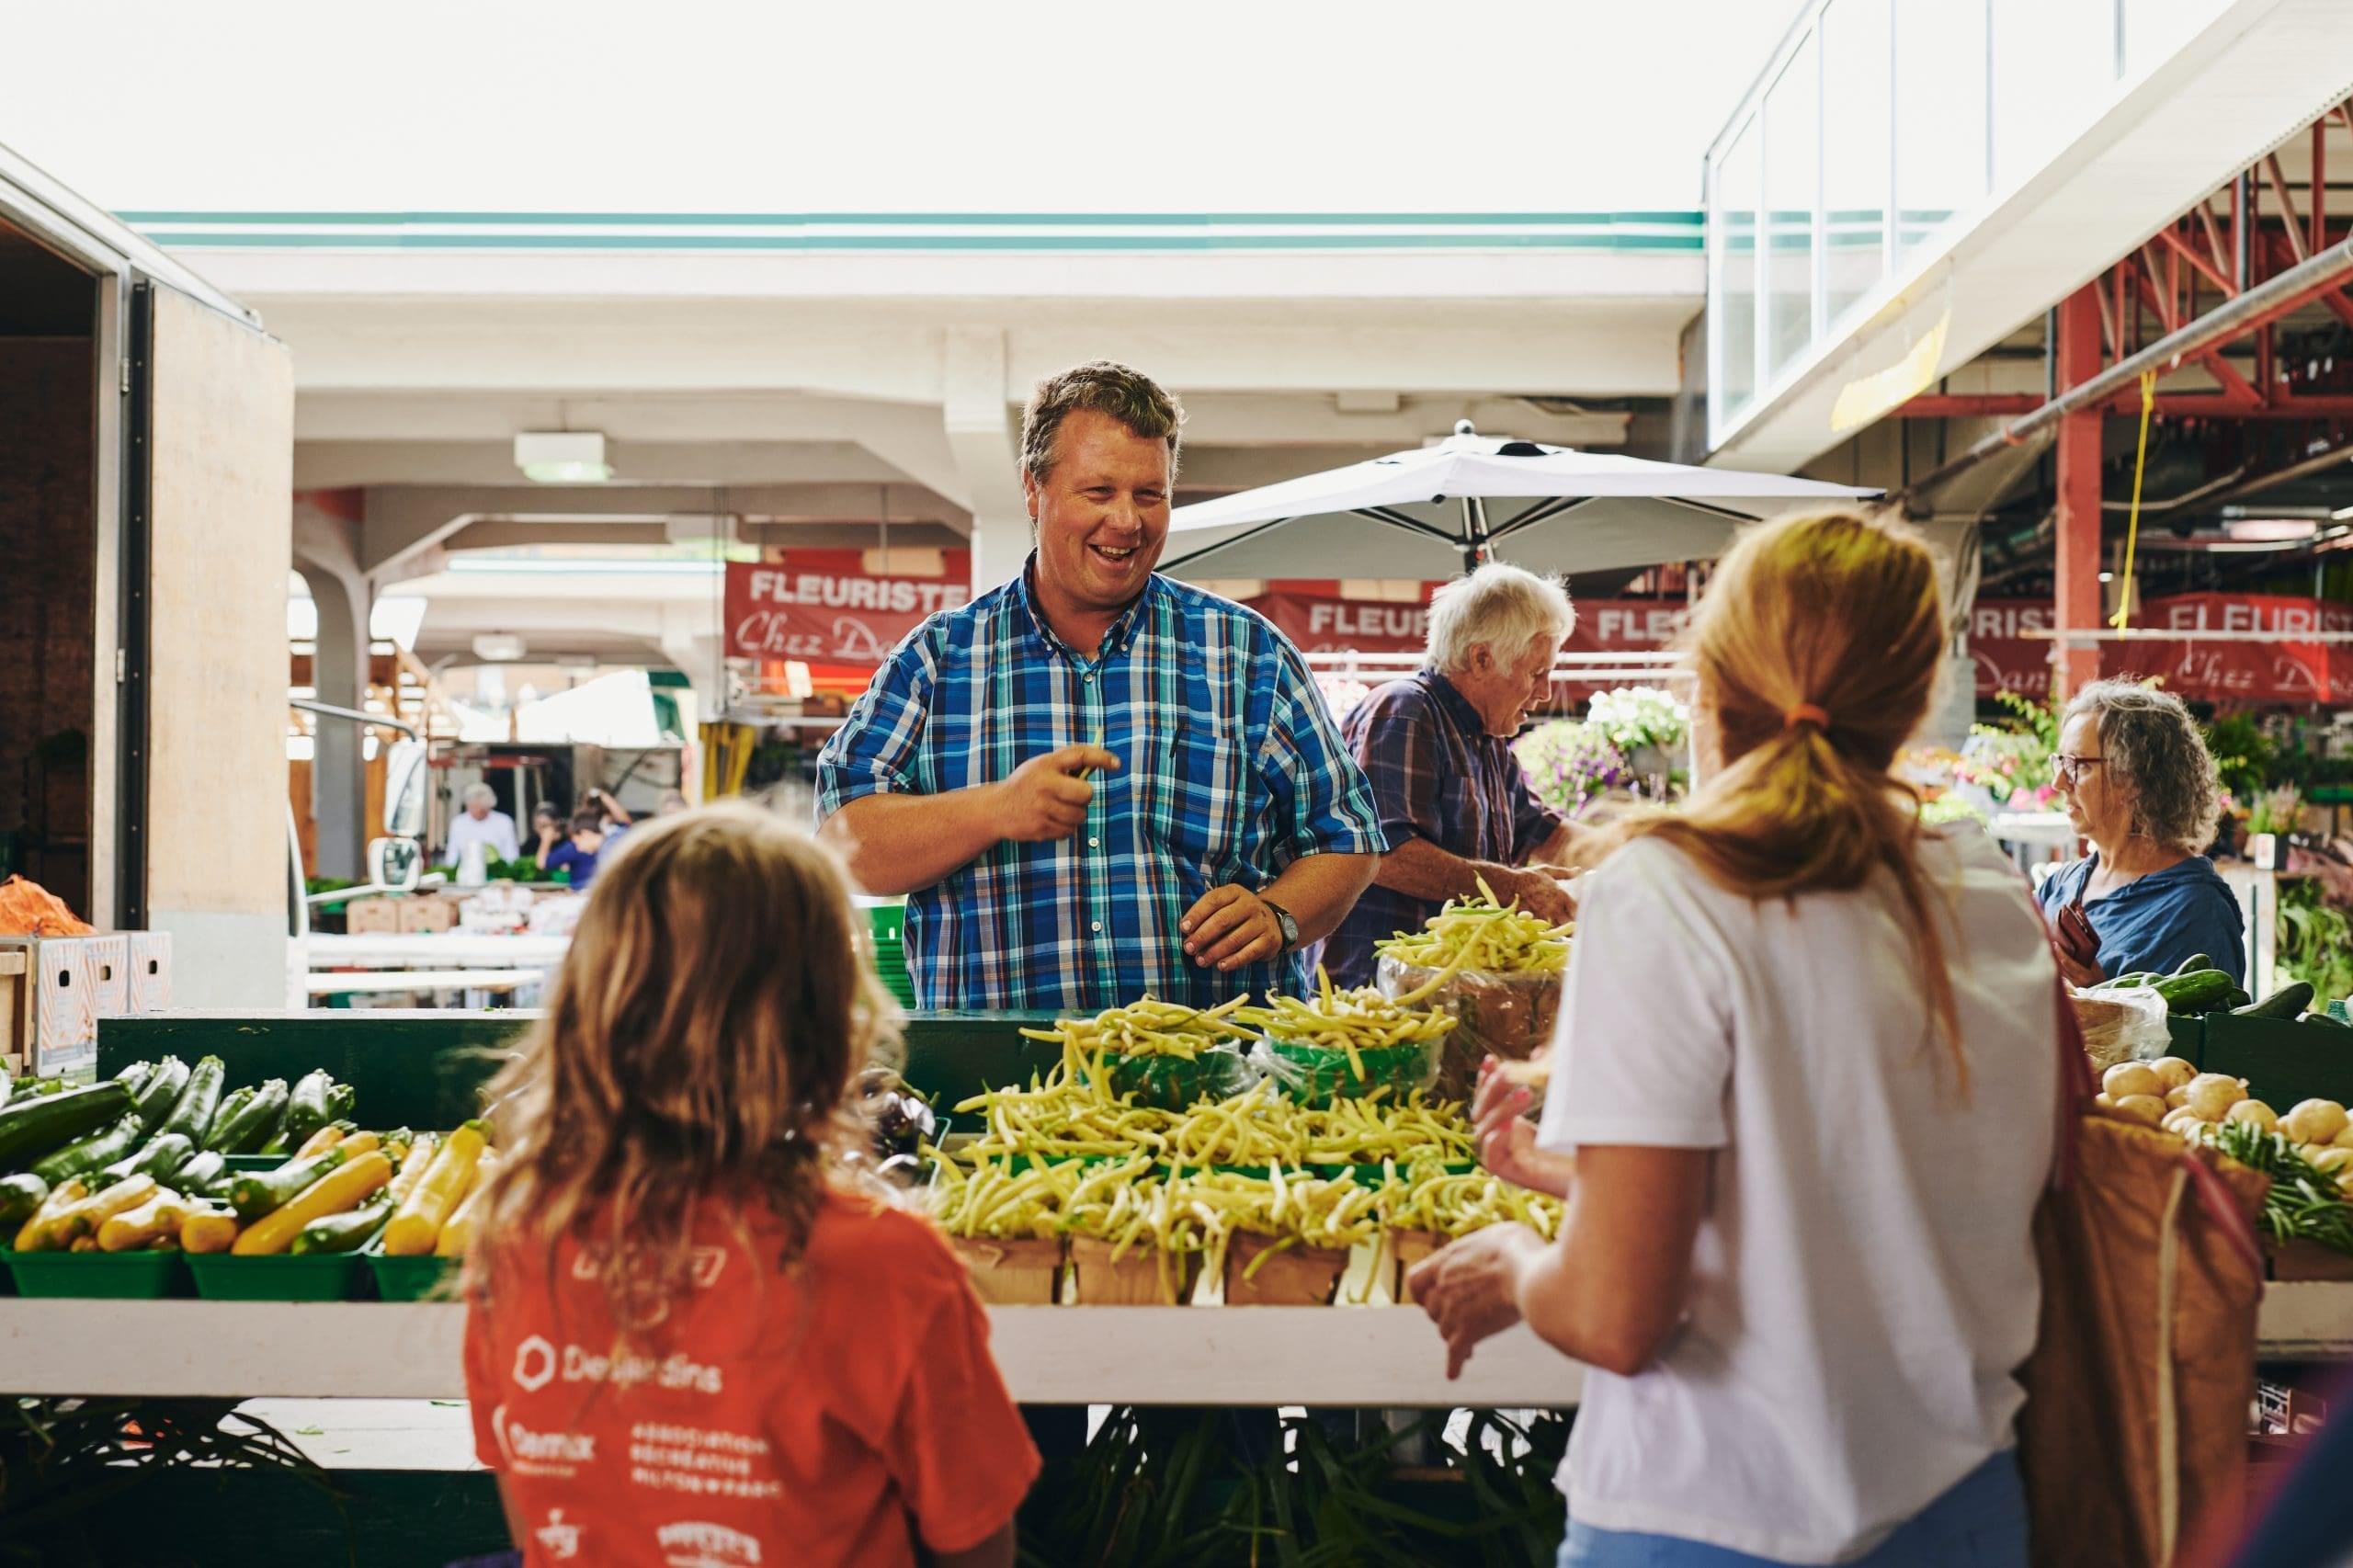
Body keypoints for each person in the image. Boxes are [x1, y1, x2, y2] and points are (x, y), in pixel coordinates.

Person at [1415, 509, 2058, 1567]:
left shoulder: (1666, 892)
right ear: (1911, 700)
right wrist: (1582, 1176)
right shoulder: (1986, 888)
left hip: (1708, 1515)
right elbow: (1873, 1181)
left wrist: (1518, 1263)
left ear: (1708, 681)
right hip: (1961, 1510)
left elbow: (1616, 1316)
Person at [461, 803, 1038, 1567]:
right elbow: (975, 1542)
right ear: (830, 1021)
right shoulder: (888, 1263)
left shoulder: (518, 1233)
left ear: (589, 1009)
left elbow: (533, 1523)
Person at [814, 360, 1385, 1010]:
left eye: (1150, 495)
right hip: (998, 1065)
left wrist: (1279, 915)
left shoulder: (1246, 652)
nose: (1127, 521)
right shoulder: (938, 659)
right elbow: (842, 842)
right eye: (1098, 491)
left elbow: (1348, 837)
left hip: (1216, 1059)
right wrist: (995, 809)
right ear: (1034, 490)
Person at [1322, 562, 1587, 988]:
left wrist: (1639, 854)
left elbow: (1545, 833)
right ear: (1481, 659)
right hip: (1377, 991)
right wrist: (1514, 888)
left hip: (1441, 993)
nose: (1546, 692)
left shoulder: (1487, 741)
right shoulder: (1405, 711)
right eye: (1537, 673)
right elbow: (1385, 855)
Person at [2037, 679, 2245, 986]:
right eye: (2061, 763)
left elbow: (2208, 1018)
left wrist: (2099, 999)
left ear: (2134, 776)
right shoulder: (2060, 886)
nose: (2059, 783)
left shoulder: (2196, 912)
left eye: (2078, 765)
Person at [444, 782, 520, 869]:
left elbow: (511, 854)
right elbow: (452, 854)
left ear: (489, 807)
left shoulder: (504, 822)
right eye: (473, 807)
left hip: (498, 872)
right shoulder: (458, 823)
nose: (476, 811)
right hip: (466, 872)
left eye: (481, 809)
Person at [535, 809, 606, 892]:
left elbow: (541, 863)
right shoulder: (608, 843)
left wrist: (546, 839)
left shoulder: (607, 848)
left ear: (585, 834)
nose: (578, 848)